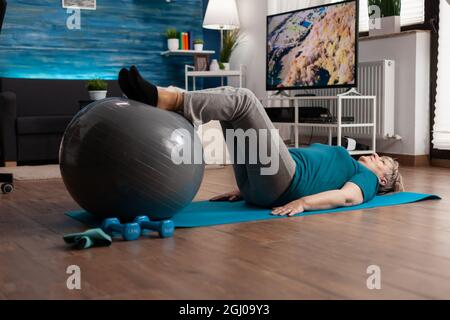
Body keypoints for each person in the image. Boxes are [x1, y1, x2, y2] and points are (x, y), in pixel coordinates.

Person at [118, 66, 404, 217]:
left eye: (383, 161)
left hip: (283, 183)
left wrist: (303, 203)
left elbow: (347, 197)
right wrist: (247, 191)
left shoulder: (365, 179)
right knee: (231, 106)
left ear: (382, 179)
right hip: (261, 185)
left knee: (244, 100)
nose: (376, 157)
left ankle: (167, 98)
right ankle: (172, 101)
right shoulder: (355, 165)